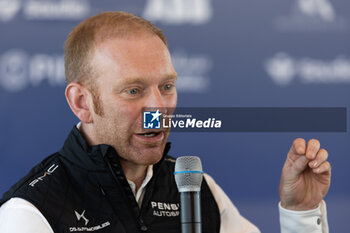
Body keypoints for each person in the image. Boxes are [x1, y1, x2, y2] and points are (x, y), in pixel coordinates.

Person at [0, 11, 331, 233]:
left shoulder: (198, 189)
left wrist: (301, 212)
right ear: (81, 103)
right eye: (134, 90)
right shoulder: (29, 214)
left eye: (167, 87)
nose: (158, 108)